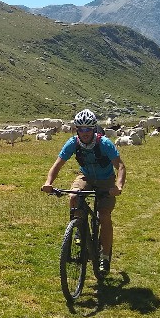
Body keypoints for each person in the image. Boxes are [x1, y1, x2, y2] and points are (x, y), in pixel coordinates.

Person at [41, 109, 126, 274]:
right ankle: (79, 229)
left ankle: (105, 256)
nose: (85, 132)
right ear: (76, 129)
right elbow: (57, 165)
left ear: (94, 129)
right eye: (81, 129)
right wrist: (48, 182)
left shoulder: (105, 143)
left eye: (88, 129)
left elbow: (120, 166)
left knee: (104, 215)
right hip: (86, 176)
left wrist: (118, 186)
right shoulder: (73, 143)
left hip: (106, 180)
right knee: (73, 196)